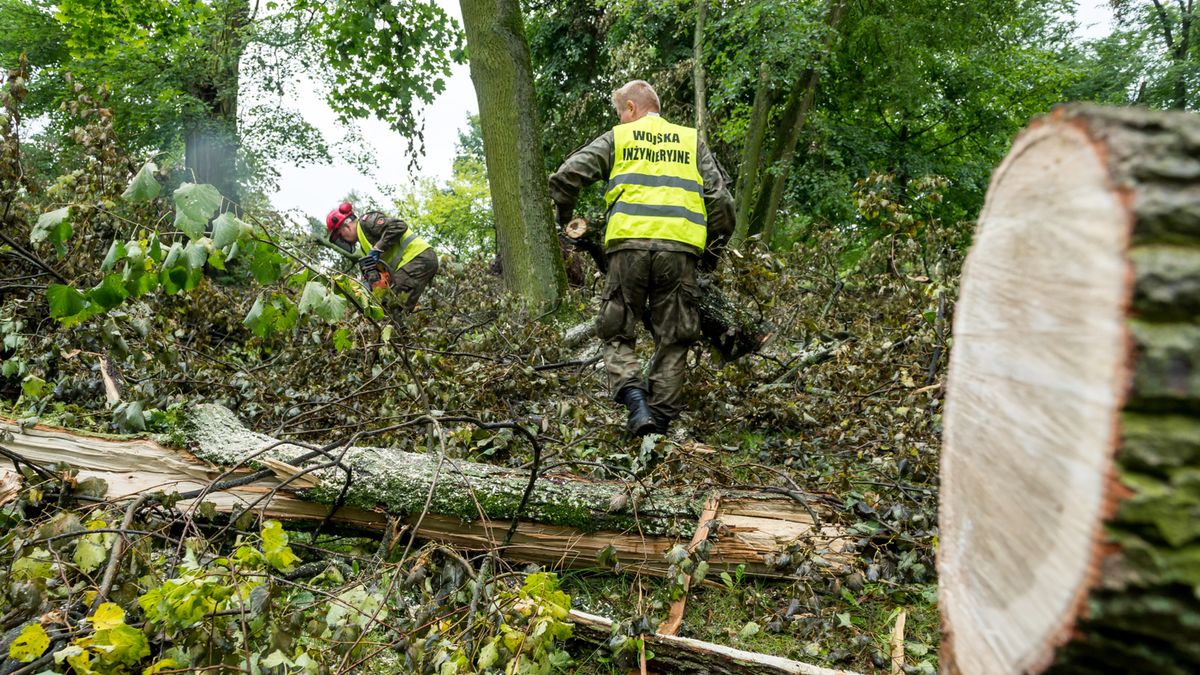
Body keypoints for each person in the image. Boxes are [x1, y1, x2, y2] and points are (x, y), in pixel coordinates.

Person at [549, 80, 735, 436]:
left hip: (627, 250)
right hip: (680, 252)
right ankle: (659, 422)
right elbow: (721, 203)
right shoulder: (690, 140)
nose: (620, 119)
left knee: (617, 331)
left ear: (631, 109)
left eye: (621, 112)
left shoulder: (619, 138)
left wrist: (562, 222)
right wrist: (712, 253)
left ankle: (636, 405)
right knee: (675, 337)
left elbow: (567, 176)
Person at [325, 202, 438, 313]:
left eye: (340, 235)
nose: (343, 239)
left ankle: (396, 328)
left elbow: (398, 226)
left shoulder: (367, 221)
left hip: (417, 258)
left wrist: (378, 248)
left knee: (391, 305)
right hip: (413, 263)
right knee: (394, 309)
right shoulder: (364, 245)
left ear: (347, 226)